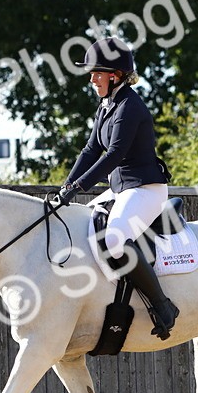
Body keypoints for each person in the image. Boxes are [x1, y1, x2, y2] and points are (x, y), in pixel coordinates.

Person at [54, 37, 179, 339]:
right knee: (83, 221)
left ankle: (163, 307)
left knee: (114, 237)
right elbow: (90, 149)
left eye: (97, 73)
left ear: (116, 75)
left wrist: (80, 186)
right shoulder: (107, 106)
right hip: (122, 189)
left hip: (145, 188)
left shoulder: (130, 106)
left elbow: (115, 155)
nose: (92, 78)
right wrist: (66, 187)